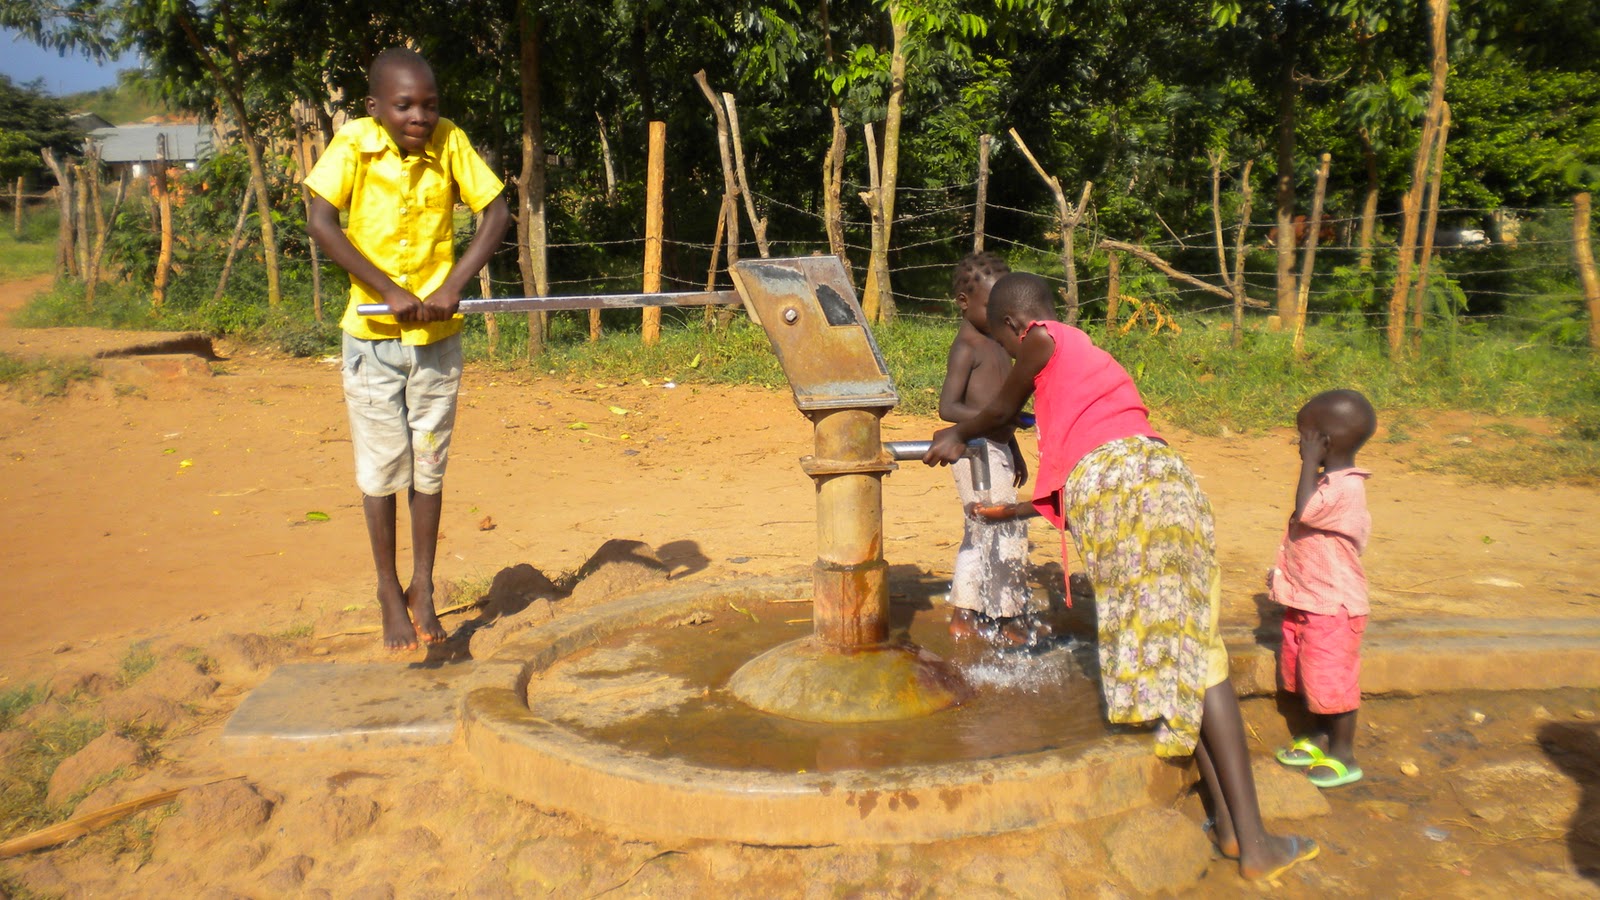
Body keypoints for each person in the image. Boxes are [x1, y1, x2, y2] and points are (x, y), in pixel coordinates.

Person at [923, 272, 1318, 881]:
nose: (1008, 360)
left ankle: (1253, 841)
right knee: (1182, 650)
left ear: (1011, 326)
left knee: (1191, 653)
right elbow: (1085, 465)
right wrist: (1016, 510)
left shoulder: (1048, 336)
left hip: (1135, 490)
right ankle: (1240, 834)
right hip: (1131, 492)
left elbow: (1004, 409)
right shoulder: (1078, 379)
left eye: (1005, 346)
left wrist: (960, 432)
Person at [305, 47, 510, 651]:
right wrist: (389, 290)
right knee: (381, 471)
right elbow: (321, 221)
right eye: (404, 106)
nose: (419, 116)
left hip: (437, 342)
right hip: (371, 339)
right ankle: (387, 589)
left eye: (428, 104)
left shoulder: (451, 142)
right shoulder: (353, 145)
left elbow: (495, 212)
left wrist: (451, 286)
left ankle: (423, 583)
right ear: (375, 108)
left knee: (428, 465)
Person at [1269, 389, 1376, 789]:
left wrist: (1309, 464)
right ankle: (1317, 737)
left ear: (1324, 442)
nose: (1299, 443)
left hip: (1333, 607)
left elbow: (1306, 511)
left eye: (1304, 436)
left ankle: (1344, 753)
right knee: (1306, 673)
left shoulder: (1346, 488)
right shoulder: (1328, 481)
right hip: (1308, 600)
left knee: (1332, 678)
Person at [937, 252, 1035, 647]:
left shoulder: (999, 342)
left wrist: (1014, 446)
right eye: (992, 307)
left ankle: (964, 613)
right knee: (1005, 525)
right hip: (973, 449)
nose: (1001, 316)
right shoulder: (967, 347)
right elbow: (948, 407)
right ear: (964, 303)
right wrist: (994, 418)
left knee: (979, 531)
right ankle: (1008, 616)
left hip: (997, 447)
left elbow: (1003, 407)